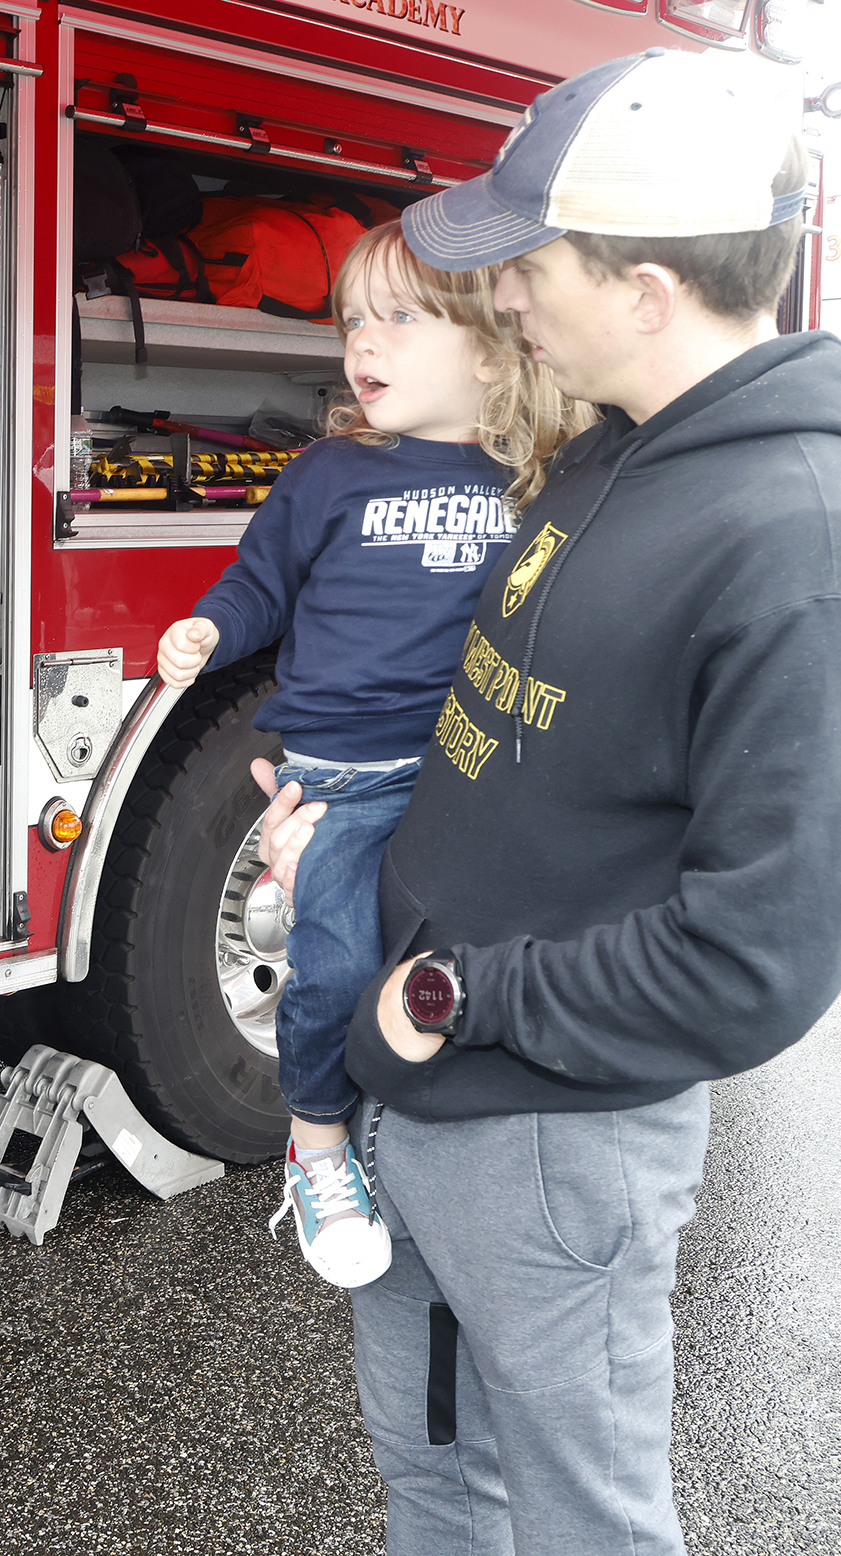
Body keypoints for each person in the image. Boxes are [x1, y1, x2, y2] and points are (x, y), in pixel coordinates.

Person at [249, 47, 841, 1554]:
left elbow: (760, 957)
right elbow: (508, 745)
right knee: (434, 1478)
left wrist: (450, 993)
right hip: (415, 1079)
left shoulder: (794, 543)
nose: (500, 296)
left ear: (645, 288)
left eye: (525, 260)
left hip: (545, 1130)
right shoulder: (601, 454)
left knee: (578, 1518)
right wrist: (340, 842)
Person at [154, 221, 587, 1287]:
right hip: (342, 779)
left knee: (454, 976)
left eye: (401, 316)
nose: (364, 342)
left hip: (467, 770)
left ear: (492, 348)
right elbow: (262, 584)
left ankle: (444, 1156)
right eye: (354, 320)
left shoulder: (532, 477)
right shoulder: (326, 473)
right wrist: (211, 628)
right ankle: (317, 1148)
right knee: (337, 964)